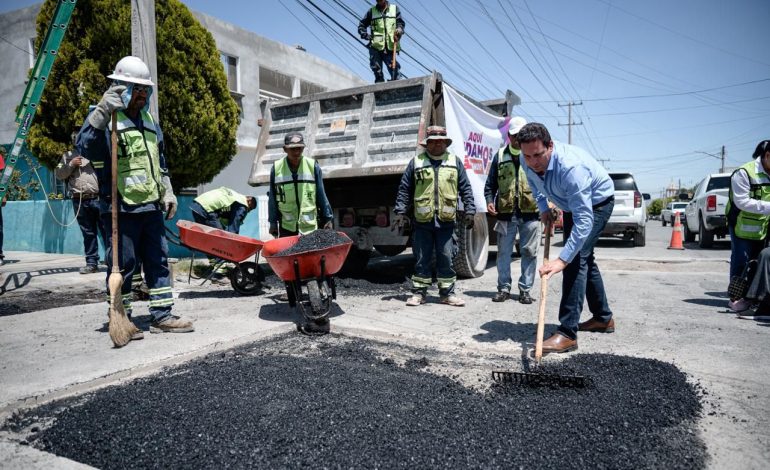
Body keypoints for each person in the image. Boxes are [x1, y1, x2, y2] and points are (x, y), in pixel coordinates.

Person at [76, 55, 193, 335]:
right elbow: (85, 147)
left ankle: (162, 316)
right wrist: (102, 113)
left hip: (150, 208)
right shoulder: (104, 118)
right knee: (124, 265)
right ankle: (122, 317)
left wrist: (168, 190)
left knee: (158, 262)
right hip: (119, 207)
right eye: (134, 88)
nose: (141, 94)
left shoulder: (150, 122)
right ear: (119, 87)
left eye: (144, 89)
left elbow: (160, 161)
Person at [518, 122, 615, 354]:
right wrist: (543, 207)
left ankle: (567, 333)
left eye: (538, 155)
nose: (533, 161)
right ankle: (603, 318)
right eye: (528, 156)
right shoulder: (526, 158)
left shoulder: (572, 168)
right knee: (585, 259)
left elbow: (584, 221)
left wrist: (562, 260)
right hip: (569, 205)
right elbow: (534, 184)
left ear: (550, 146)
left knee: (575, 260)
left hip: (596, 204)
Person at [393, 125, 475, 307]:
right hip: (422, 221)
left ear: (445, 143)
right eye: (433, 142)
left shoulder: (455, 162)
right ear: (427, 144)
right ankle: (418, 294)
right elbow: (405, 189)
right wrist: (400, 211)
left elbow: (466, 188)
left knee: (446, 256)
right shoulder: (416, 162)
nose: (437, 145)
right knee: (422, 258)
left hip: (446, 222)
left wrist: (470, 210)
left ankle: (447, 294)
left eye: (441, 141)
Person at [484, 116, 543, 304]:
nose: (517, 139)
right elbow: (490, 184)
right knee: (503, 253)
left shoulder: (535, 156)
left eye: (520, 135)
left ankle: (525, 290)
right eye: (514, 135)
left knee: (530, 252)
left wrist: (549, 205)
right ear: (508, 136)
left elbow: (546, 183)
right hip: (506, 215)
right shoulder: (500, 156)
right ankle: (503, 289)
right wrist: (489, 200)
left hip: (531, 213)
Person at [725, 139, 770, 312]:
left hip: (764, 227)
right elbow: (742, 201)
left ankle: (753, 297)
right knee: (741, 261)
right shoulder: (744, 172)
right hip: (742, 226)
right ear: (767, 155)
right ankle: (736, 298)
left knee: (760, 262)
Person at [268, 132, 333, 237]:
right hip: (287, 226)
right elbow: (272, 198)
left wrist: (328, 218)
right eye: (292, 149)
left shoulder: (312, 166)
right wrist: (272, 223)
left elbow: (321, 194)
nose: (296, 152)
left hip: (309, 227)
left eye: (299, 148)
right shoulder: (276, 168)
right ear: (285, 149)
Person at [55, 148, 107, 274]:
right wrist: (71, 164)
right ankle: (91, 263)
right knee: (88, 233)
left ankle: (113, 261)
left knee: (107, 231)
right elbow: (59, 173)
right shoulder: (67, 155)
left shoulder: (98, 150)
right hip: (79, 200)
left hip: (99, 198)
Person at [358, 0, 405, 83]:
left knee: (394, 70)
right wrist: (365, 35)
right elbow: (362, 25)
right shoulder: (371, 11)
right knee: (377, 70)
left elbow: (400, 23)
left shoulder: (394, 9)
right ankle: (380, 90)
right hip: (375, 46)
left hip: (389, 45)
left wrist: (399, 30)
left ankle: (398, 86)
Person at [190, 187, 256, 234]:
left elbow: (221, 219)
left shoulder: (235, 197)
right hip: (206, 209)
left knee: (209, 235)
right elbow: (235, 222)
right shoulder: (242, 204)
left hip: (197, 205)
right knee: (221, 236)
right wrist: (233, 238)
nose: (248, 211)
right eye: (250, 208)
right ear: (249, 201)